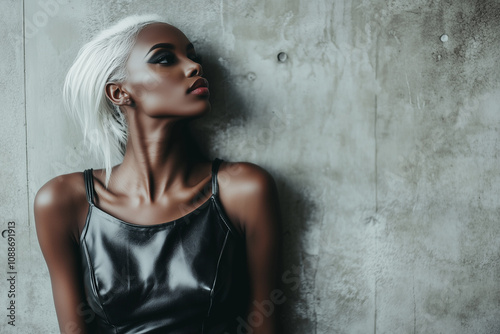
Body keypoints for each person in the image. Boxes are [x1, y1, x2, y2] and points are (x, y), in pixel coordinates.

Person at [34, 14, 282, 334]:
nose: (194, 67)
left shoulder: (245, 190)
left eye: (193, 56)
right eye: (165, 59)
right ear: (118, 93)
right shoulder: (62, 202)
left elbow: (265, 324)